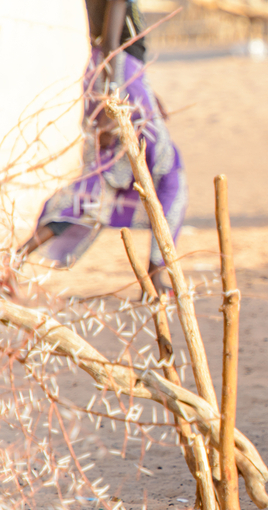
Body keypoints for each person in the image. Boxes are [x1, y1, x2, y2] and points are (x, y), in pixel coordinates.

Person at [14, 0, 184, 296]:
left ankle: (13, 261)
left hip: (111, 78)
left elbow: (107, 45)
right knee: (169, 177)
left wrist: (145, 89)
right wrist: (112, 104)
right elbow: (112, 47)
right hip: (117, 81)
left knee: (97, 186)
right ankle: (156, 278)